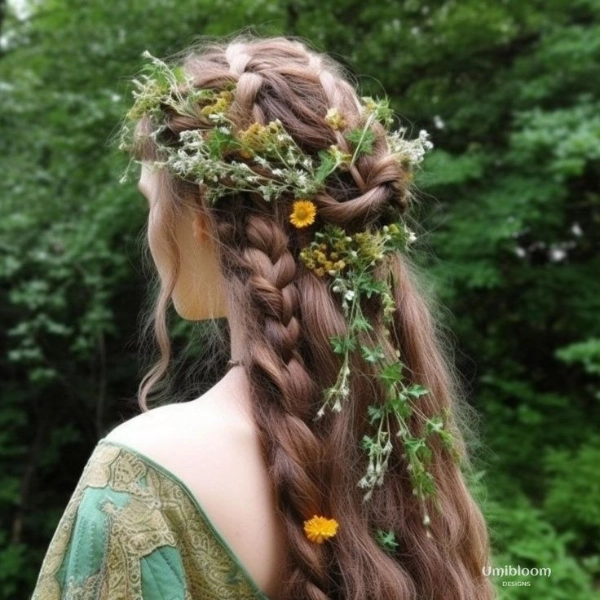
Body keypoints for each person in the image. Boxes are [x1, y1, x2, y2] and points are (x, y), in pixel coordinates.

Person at [31, 35, 495, 599]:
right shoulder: (409, 467)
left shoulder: (141, 477)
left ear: (200, 216)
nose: (150, 231)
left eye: (151, 203)